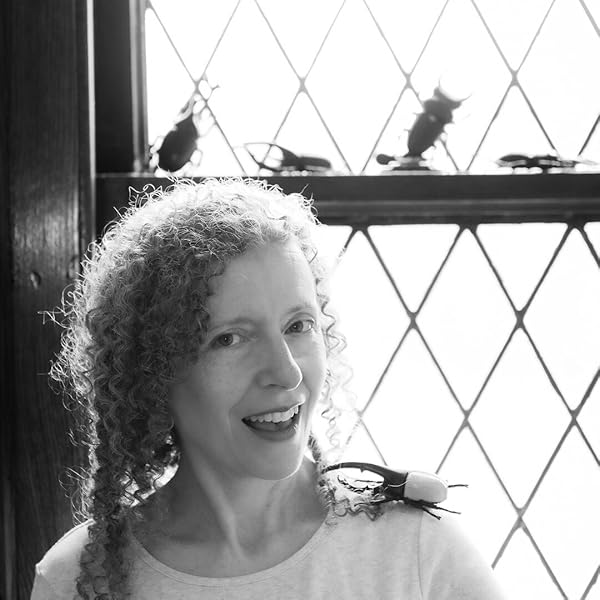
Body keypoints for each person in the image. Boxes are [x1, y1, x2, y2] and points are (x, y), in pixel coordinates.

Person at [31, 178, 508, 599]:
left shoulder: (419, 551)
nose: (287, 372)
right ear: (151, 371)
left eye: (299, 326)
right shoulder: (76, 580)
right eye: (229, 338)